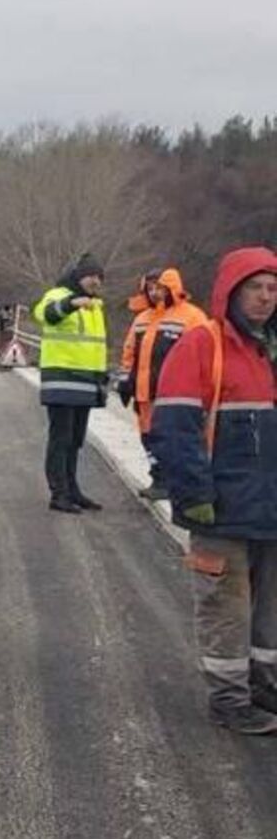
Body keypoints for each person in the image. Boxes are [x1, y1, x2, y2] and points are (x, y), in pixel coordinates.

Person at [153, 246, 277, 735]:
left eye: (273, 289)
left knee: (270, 607)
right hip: (221, 508)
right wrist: (193, 494)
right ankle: (228, 698)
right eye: (255, 288)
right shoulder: (202, 346)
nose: (265, 298)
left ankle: (263, 683)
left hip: (269, 508)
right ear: (231, 291)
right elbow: (176, 427)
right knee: (226, 605)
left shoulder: (270, 349)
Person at [117, 268, 208, 500]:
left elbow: (204, 354)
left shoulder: (192, 317)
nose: (155, 293)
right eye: (150, 288)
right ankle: (159, 479)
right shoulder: (142, 319)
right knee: (149, 438)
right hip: (143, 392)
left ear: (171, 288)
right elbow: (129, 352)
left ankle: (178, 483)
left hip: (174, 393)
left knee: (173, 438)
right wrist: (125, 379)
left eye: (159, 287)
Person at [34, 253, 109, 513]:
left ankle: (72, 489)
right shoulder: (59, 295)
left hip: (85, 384)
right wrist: (72, 303)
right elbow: (45, 314)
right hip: (63, 382)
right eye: (91, 276)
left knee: (76, 440)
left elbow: (95, 348)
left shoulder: (95, 306)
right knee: (61, 438)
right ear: (79, 276)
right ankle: (59, 494)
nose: (96, 281)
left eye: (99, 277)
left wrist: (101, 379)